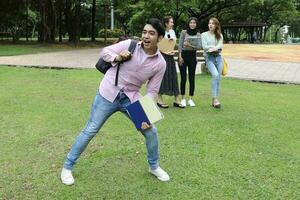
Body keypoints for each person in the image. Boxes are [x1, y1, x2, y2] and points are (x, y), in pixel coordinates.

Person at [60, 18, 170, 185]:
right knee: (91, 129)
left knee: (151, 131)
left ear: (160, 38)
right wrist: (118, 57)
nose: (146, 36)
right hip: (108, 92)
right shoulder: (130, 45)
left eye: (152, 33)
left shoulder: (160, 63)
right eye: (144, 32)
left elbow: (152, 91)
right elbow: (104, 52)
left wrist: (147, 115)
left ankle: (153, 166)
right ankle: (67, 167)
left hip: (131, 98)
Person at [157, 16, 184, 109]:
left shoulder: (172, 32)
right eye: (171, 22)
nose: (172, 24)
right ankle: (159, 100)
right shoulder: (160, 33)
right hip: (162, 57)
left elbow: (172, 44)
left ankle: (177, 100)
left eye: (172, 22)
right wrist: (165, 52)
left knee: (173, 76)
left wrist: (171, 51)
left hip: (170, 56)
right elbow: (157, 46)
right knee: (162, 77)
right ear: (166, 23)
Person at [178, 17, 202, 107]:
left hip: (192, 57)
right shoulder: (184, 32)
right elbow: (180, 45)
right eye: (191, 22)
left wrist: (190, 45)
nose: (192, 24)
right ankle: (183, 98)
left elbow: (199, 47)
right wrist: (180, 57)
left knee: (192, 78)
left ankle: (191, 99)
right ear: (188, 23)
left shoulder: (198, 34)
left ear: (196, 24)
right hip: (183, 56)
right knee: (183, 78)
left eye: (194, 23)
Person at [201, 17, 223, 108]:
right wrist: (214, 47)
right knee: (215, 75)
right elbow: (204, 46)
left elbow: (221, 45)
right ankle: (215, 99)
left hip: (218, 58)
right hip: (209, 58)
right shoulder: (204, 35)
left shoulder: (219, 35)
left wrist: (215, 48)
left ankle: (215, 99)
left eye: (213, 23)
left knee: (218, 78)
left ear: (216, 25)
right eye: (209, 23)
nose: (210, 25)